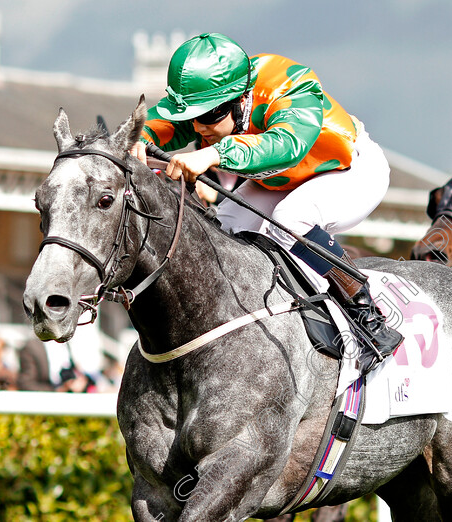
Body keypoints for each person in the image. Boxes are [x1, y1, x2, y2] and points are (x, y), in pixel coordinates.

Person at [130, 33, 402, 374]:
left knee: (291, 218)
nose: (199, 127)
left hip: (350, 169)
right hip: (281, 179)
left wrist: (214, 153)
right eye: (192, 116)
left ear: (242, 98)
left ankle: (368, 316)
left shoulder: (288, 82)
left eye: (210, 115)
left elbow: (287, 145)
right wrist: (139, 139)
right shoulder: (215, 104)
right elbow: (160, 123)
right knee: (221, 232)